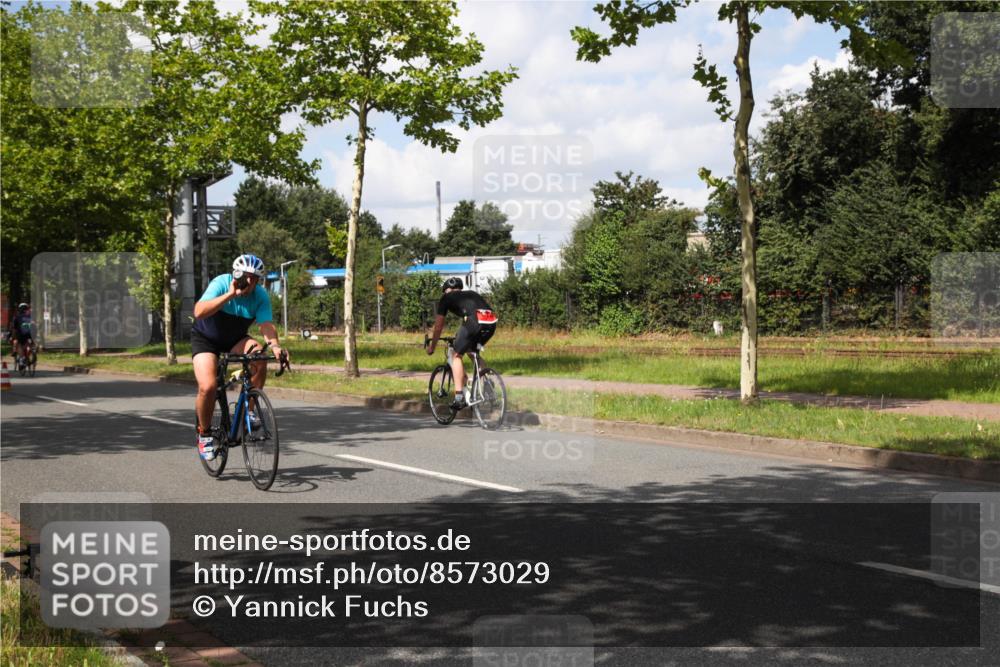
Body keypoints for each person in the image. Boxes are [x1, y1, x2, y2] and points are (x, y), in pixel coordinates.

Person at [192, 254, 286, 461]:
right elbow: (198, 311)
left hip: (235, 339)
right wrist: (230, 294)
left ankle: (248, 413)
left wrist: (276, 346)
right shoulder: (221, 282)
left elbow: (266, 325)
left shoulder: (260, 295)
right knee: (207, 386)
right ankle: (204, 433)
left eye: (255, 278)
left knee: (259, 356)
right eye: (246, 276)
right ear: (237, 274)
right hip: (206, 339)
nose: (250, 282)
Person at [426, 277, 498, 410]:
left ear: (446, 290)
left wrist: (432, 347)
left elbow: (438, 327)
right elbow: (471, 314)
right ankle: (487, 384)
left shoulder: (446, 298)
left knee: (455, 356)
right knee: (471, 351)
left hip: (475, 321)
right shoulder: (471, 294)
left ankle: (459, 397)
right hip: (491, 321)